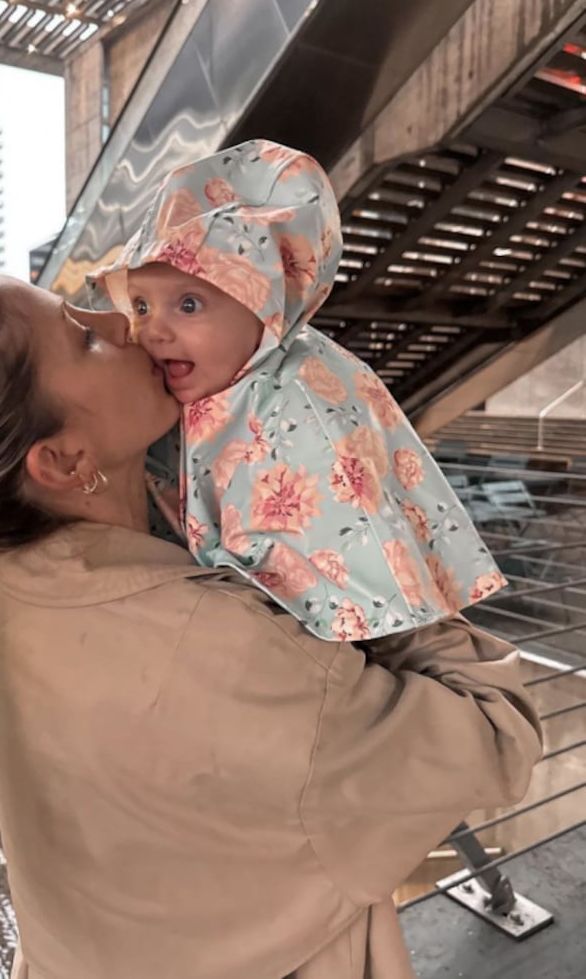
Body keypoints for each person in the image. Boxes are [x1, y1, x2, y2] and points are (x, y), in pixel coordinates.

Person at [0, 269, 541, 979]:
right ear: (66, 459)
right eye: (82, 340)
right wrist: (362, 524)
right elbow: (494, 728)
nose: (119, 323)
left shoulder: (5, 593)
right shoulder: (208, 637)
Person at [87, 139, 506, 643]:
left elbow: (333, 593)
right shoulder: (199, 383)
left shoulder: (297, 402)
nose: (151, 331)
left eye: (189, 305)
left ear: (265, 303)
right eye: (141, 306)